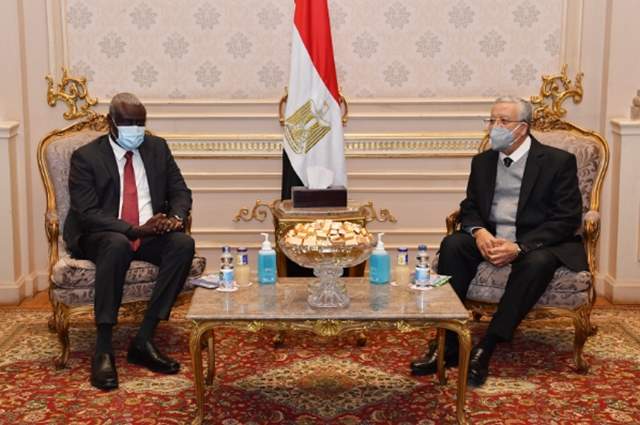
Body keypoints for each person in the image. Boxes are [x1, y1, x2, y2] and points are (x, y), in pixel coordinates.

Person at [410, 96, 587, 386]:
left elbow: (567, 219)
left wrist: (518, 247)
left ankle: (487, 346)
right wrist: (479, 232)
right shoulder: (483, 161)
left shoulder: (558, 162)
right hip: (492, 236)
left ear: (522, 128)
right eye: (491, 120)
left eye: (502, 121)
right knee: (453, 245)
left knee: (538, 262)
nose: (494, 127)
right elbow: (470, 207)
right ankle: (448, 343)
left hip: (535, 243)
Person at [64, 92, 195, 390]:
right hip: (102, 234)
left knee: (182, 245)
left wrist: (175, 218)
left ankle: (144, 339)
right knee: (117, 244)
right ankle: (103, 349)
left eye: (140, 123)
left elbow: (180, 191)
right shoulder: (86, 157)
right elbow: (87, 213)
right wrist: (134, 230)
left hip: (150, 232)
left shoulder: (158, 148)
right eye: (127, 123)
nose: (135, 129)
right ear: (110, 122)